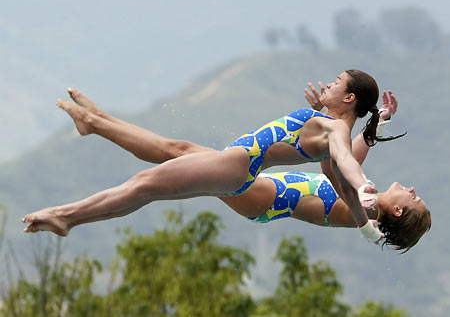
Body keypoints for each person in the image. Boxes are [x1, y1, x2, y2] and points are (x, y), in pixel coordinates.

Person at [22, 70, 404, 243]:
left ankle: (65, 217)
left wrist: (363, 189)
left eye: (338, 83)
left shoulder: (337, 134)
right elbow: (336, 166)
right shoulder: (331, 125)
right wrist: (376, 128)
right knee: (176, 150)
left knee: (143, 187)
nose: (330, 83)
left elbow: (346, 165)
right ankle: (96, 121)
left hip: (244, 175)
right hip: (246, 174)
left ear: (349, 98)